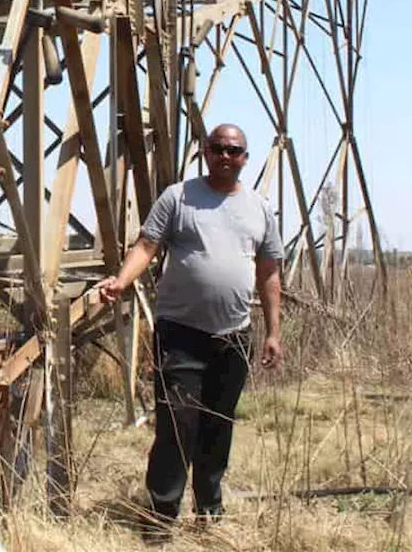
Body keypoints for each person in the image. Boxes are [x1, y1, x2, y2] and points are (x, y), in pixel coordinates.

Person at [95, 123, 283, 536]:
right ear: (205, 152)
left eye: (234, 150)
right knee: (177, 427)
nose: (225, 156)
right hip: (180, 334)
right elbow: (147, 245)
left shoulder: (259, 208)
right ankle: (160, 519)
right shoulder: (178, 197)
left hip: (233, 336)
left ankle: (209, 512)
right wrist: (122, 281)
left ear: (245, 159)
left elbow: (268, 271)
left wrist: (272, 332)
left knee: (218, 426)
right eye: (218, 148)